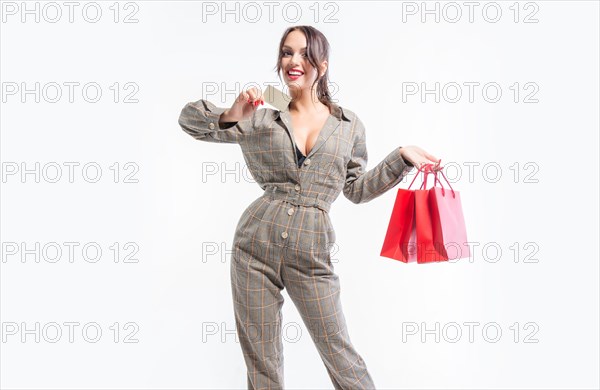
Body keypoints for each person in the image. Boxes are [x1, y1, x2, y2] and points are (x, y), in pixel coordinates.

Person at [178, 25, 440, 390]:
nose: (293, 61)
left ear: (323, 64)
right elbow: (189, 120)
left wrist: (400, 158)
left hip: (311, 249)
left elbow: (356, 190)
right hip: (254, 245)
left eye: (303, 53)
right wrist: (231, 113)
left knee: (339, 351)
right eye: (286, 52)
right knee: (262, 363)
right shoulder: (260, 117)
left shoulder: (348, 126)